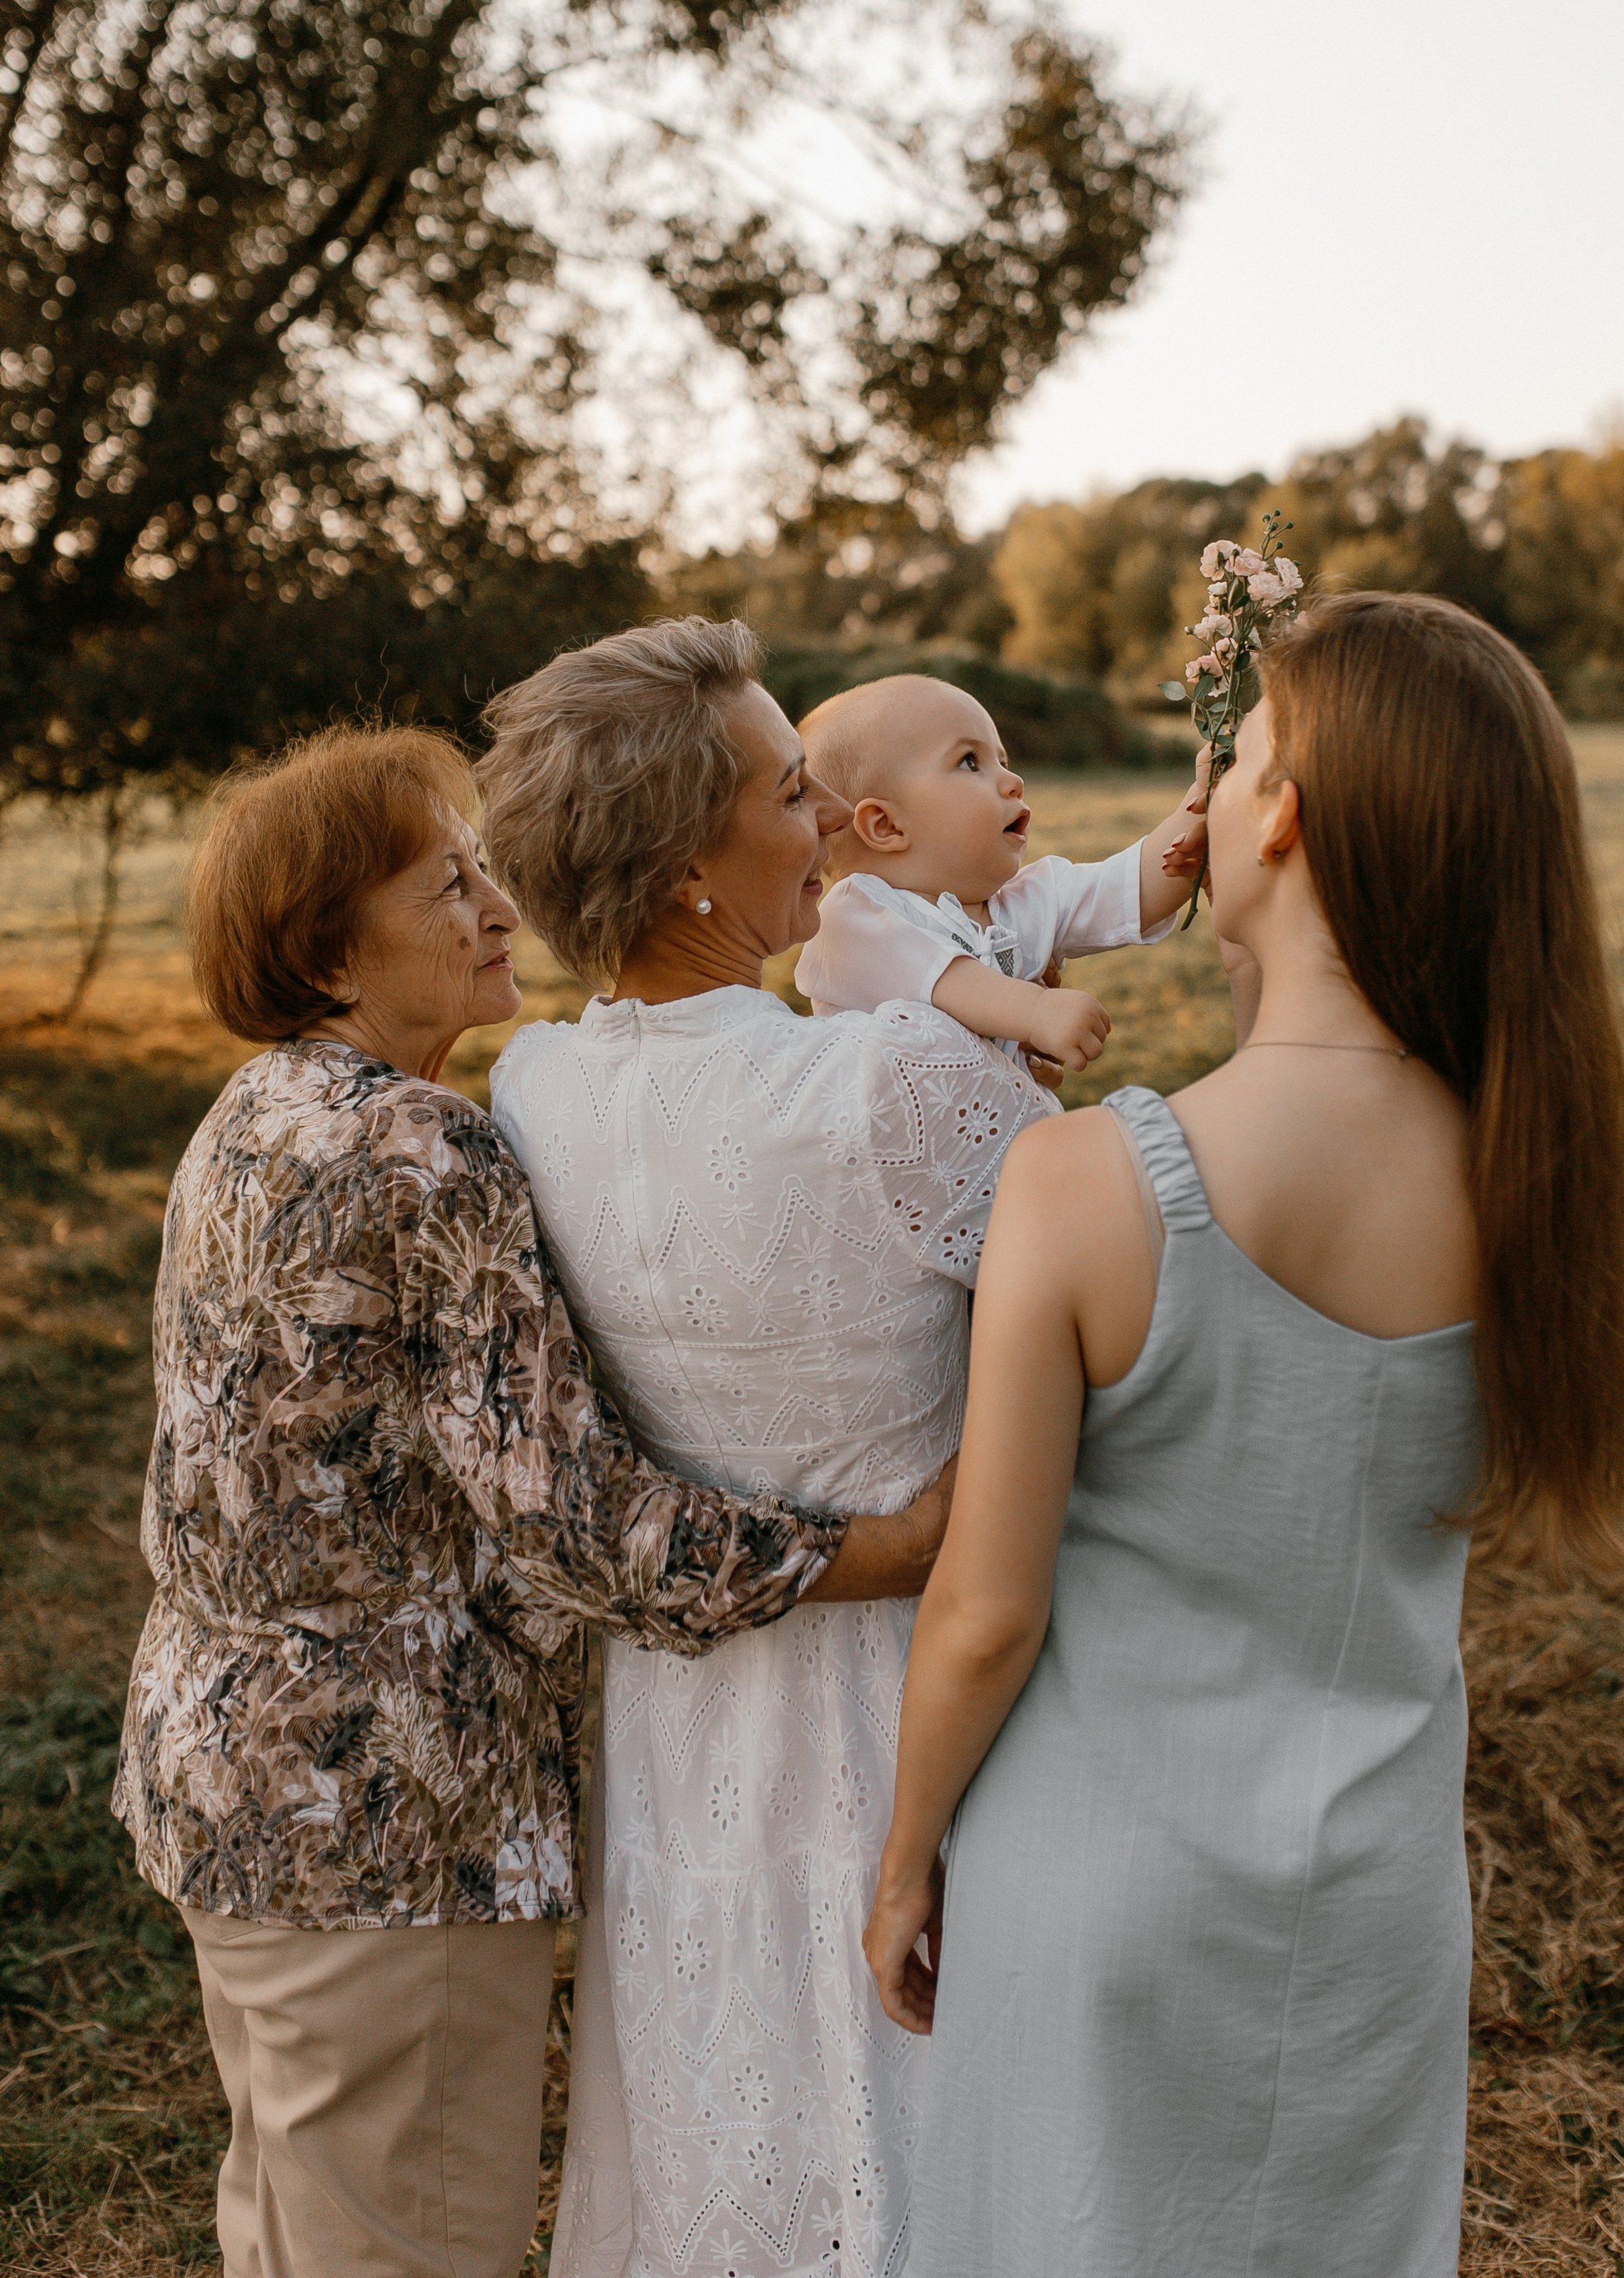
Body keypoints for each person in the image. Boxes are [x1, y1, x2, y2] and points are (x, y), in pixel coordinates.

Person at [864, 591, 1624, 2278]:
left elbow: (984, 1610)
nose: (1199, 797)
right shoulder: (1528, 1180)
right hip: (1369, 1909)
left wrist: (904, 1849)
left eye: (1231, 761)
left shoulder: (1086, 1180)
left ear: (1278, 813)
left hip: (1096, 1896)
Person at [112, 723, 948, 2278]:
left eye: (484, 872)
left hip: (218, 1778)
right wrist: (890, 1545)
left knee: (297, 2230)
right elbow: (575, 1526)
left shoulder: (255, 1113)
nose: (499, 911)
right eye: (445, 888)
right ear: (328, 950)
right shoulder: (426, 1148)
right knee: (400, 2246)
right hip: (381, 1820)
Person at [478, 619, 1056, 2278]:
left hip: (685, 1698)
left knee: (724, 2113)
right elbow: (1109, 1306)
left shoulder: (529, 1086)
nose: (825, 820)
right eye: (789, 790)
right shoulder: (888, 1083)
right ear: (680, 874)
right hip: (928, 1683)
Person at [795, 671, 1205, 1071]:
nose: (1013, 780)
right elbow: (946, 981)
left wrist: (1201, 807)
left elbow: (1129, 887)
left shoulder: (1020, 901)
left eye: (1003, 760)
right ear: (887, 826)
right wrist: (1037, 1010)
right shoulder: (853, 917)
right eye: (970, 762)